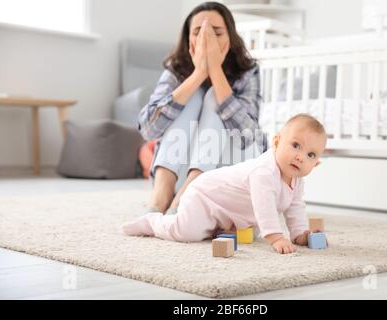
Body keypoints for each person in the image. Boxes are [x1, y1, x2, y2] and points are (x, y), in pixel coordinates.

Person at [123, 114, 327, 254]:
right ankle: (153, 222)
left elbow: (295, 207)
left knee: (251, 232)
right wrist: (276, 238)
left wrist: (299, 234)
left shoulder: (297, 180)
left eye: (310, 154)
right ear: (276, 142)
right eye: (295, 145)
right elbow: (264, 208)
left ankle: (219, 228)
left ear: (316, 164)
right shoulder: (264, 171)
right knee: (186, 232)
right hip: (206, 196)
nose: (300, 157)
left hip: (232, 212)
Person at [138, 2, 267, 215]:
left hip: (228, 170)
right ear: (189, 40)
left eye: (216, 32)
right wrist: (198, 74)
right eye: (198, 31)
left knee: (214, 95)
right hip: (180, 171)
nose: (207, 38)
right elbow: (148, 129)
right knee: (190, 94)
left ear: (230, 38)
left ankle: (190, 191)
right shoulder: (175, 70)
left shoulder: (247, 71)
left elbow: (247, 136)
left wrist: (215, 71)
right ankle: (161, 195)